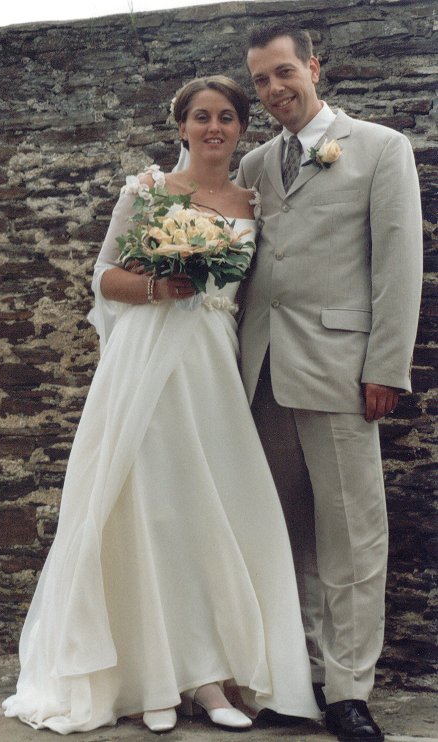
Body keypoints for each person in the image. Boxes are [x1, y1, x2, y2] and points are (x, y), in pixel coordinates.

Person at [2, 75, 321, 735]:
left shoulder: (253, 203)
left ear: (241, 128)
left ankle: (209, 677)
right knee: (149, 509)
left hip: (212, 368)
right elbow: (104, 279)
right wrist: (160, 287)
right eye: (201, 116)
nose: (213, 127)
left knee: (211, 512)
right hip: (145, 363)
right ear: (182, 127)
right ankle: (152, 678)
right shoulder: (147, 191)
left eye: (226, 116)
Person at [236, 23, 423, 742]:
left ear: (314, 67)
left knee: (352, 536)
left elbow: (398, 263)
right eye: (261, 80)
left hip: (343, 372)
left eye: (284, 72)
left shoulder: (379, 148)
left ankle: (348, 691)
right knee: (285, 535)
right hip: (260, 373)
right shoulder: (255, 163)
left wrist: (386, 368)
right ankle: (302, 678)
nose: (274, 89)